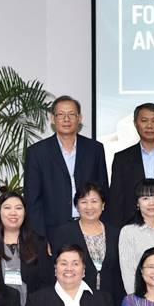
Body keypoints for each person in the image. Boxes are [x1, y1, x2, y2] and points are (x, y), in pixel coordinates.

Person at [24, 95, 108, 239]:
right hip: (52, 230)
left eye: (71, 114)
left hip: (90, 227)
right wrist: (43, 238)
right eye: (61, 114)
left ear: (79, 118)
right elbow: (32, 201)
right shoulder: (37, 152)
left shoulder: (95, 149)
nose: (66, 119)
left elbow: (103, 191)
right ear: (52, 119)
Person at [51, 182, 125, 306]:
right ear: (77, 206)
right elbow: (56, 270)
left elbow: (119, 274)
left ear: (103, 205)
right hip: (73, 303)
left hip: (110, 302)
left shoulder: (116, 234)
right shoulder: (64, 233)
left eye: (94, 201)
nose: (89, 207)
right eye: (84, 202)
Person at [119, 179, 154, 294]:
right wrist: (139, 302)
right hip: (141, 302)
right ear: (137, 203)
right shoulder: (128, 232)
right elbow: (129, 273)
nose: (151, 203)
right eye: (145, 198)